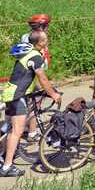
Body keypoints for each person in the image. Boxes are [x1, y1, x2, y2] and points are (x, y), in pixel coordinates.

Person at [1, 31, 61, 178]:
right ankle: (7, 166)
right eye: (45, 40)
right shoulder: (35, 57)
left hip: (11, 93)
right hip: (18, 96)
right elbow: (42, 78)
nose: (47, 42)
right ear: (39, 43)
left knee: (7, 128)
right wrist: (53, 94)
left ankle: (2, 156)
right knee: (17, 131)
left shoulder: (28, 53)